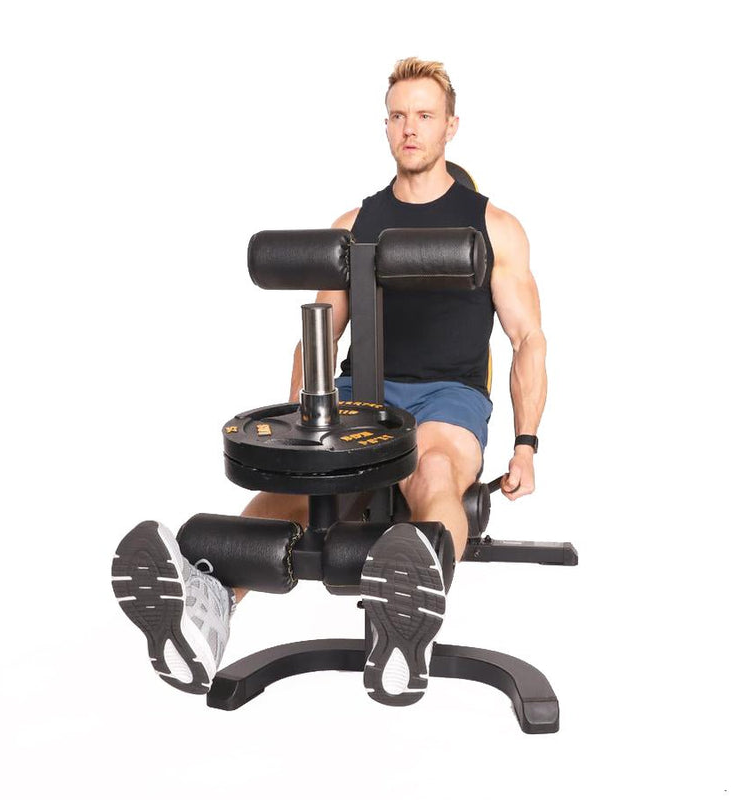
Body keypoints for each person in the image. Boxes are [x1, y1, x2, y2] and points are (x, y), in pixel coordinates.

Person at [111, 57, 547, 705]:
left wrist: (526, 445)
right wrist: (300, 429)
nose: (410, 128)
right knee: (306, 482)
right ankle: (206, 611)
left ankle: (410, 621)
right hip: (359, 394)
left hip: (447, 397)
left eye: (424, 115)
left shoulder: (494, 227)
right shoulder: (353, 226)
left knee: (432, 469)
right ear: (386, 126)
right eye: (398, 116)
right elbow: (318, 334)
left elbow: (528, 339)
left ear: (451, 126)